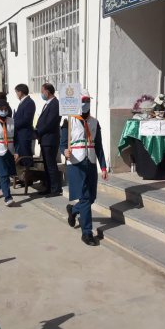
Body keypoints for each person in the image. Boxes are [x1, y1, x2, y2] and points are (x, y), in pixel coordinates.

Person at [60, 90, 109, 246]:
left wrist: (103, 166)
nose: (85, 103)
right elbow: (62, 143)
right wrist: (64, 151)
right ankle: (87, 232)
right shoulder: (68, 121)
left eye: (87, 100)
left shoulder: (95, 122)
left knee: (91, 197)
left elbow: (99, 145)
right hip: (76, 163)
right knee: (85, 198)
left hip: (91, 162)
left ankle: (73, 210)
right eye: (82, 100)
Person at [35, 83, 62, 196]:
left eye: (42, 91)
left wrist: (38, 132)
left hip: (50, 139)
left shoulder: (55, 104)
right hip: (45, 139)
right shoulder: (48, 104)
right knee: (46, 165)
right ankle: (49, 187)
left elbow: (50, 123)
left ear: (48, 92)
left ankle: (55, 188)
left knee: (51, 165)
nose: (42, 94)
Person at [14, 83, 36, 167]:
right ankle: (24, 177)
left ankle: (29, 176)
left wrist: (14, 124)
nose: (16, 94)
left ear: (21, 92)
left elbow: (26, 120)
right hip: (19, 134)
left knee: (26, 156)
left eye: (17, 92)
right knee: (21, 157)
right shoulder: (22, 102)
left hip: (25, 134)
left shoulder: (29, 102)